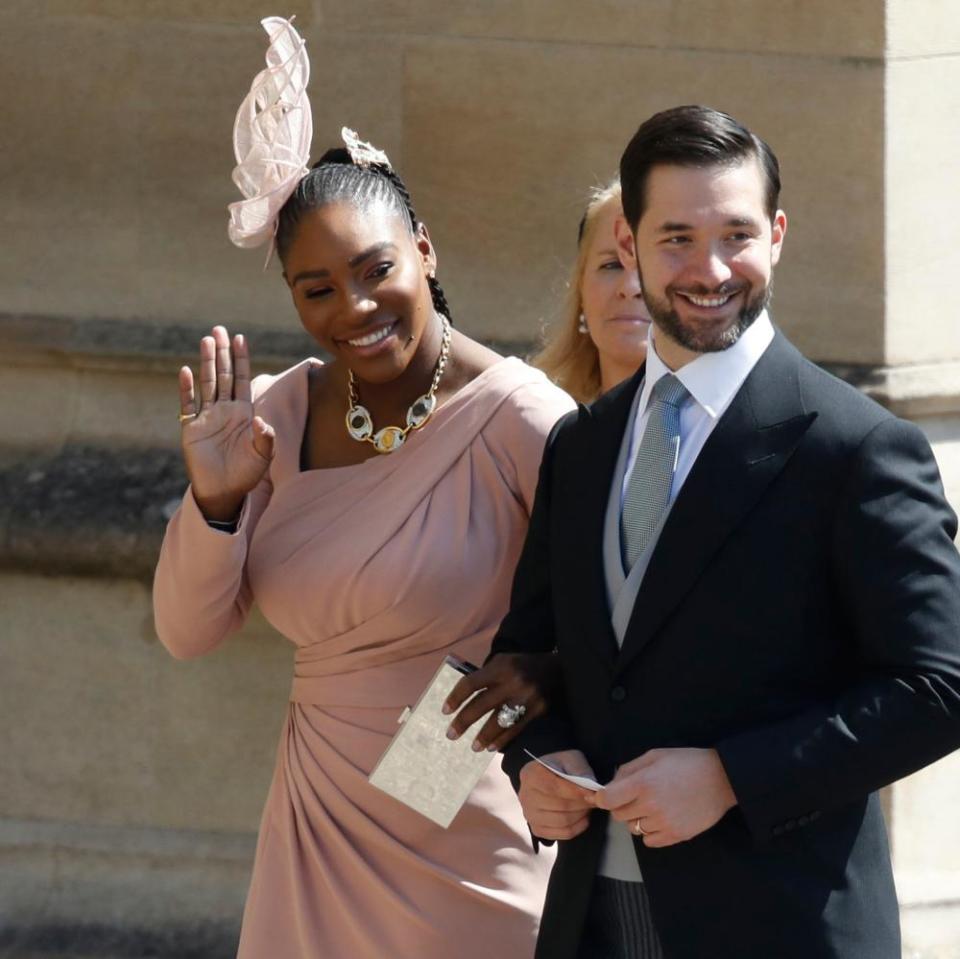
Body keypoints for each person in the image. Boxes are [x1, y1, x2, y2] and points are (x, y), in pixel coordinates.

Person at [488, 104, 960, 959]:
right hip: (594, 919)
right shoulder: (583, 444)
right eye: (676, 238)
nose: (710, 269)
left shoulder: (857, 447)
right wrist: (538, 760)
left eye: (736, 235)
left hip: (784, 926)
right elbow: (530, 651)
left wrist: (732, 778)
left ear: (777, 235)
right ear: (628, 247)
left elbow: (940, 688)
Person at [153, 18, 573, 958]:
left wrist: (549, 673)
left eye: (375, 268)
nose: (353, 308)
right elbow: (186, 632)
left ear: (424, 250)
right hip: (316, 826)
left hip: (468, 820)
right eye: (316, 289)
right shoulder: (275, 414)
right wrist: (216, 503)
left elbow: (631, 604)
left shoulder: (521, 415)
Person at [533, 179, 651, 403]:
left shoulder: (732, 425)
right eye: (611, 265)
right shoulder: (538, 424)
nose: (630, 287)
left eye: (650, 266)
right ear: (581, 289)